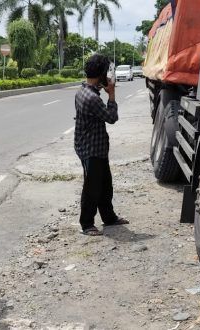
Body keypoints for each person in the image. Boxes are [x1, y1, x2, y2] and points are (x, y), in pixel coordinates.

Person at [74, 54, 129, 236]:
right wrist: (111, 94)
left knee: (105, 184)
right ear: (101, 74)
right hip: (91, 150)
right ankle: (87, 224)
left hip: (94, 147)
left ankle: (109, 217)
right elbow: (111, 118)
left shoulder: (82, 91)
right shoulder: (92, 98)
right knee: (92, 188)